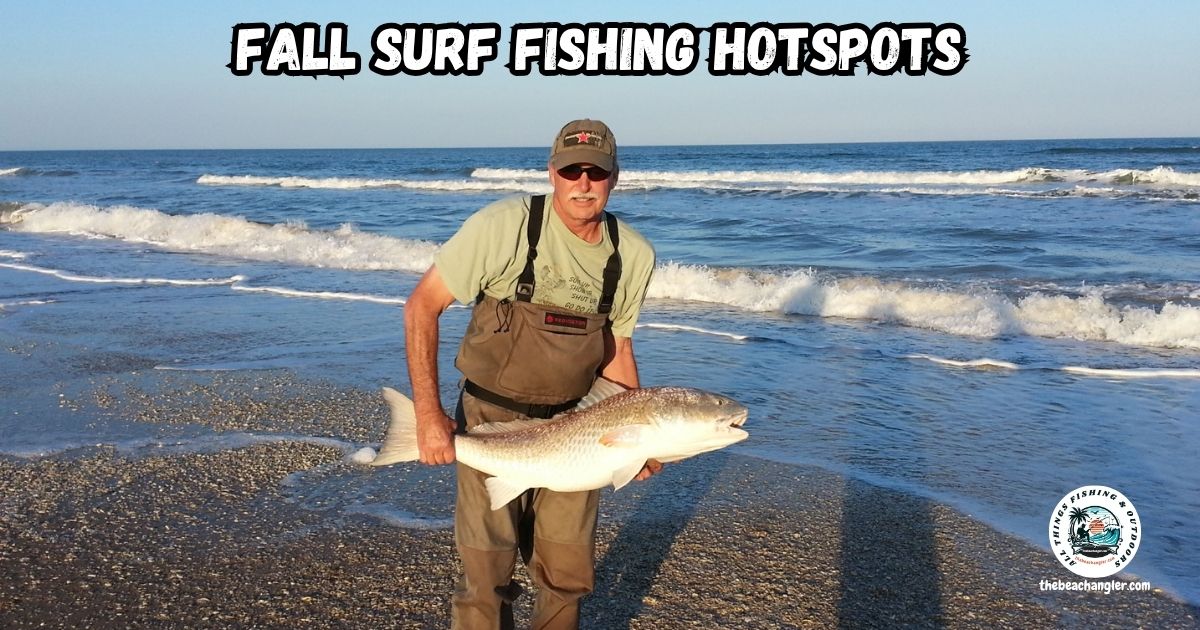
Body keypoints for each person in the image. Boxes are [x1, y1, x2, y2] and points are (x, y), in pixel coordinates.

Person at [404, 119, 658, 630]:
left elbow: (618, 351)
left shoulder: (632, 254)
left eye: (596, 171)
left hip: (578, 426)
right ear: (552, 173)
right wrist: (428, 415)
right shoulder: (504, 226)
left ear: (615, 177)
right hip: (488, 416)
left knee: (567, 573)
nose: (583, 183)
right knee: (487, 572)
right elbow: (421, 307)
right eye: (571, 171)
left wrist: (640, 439)